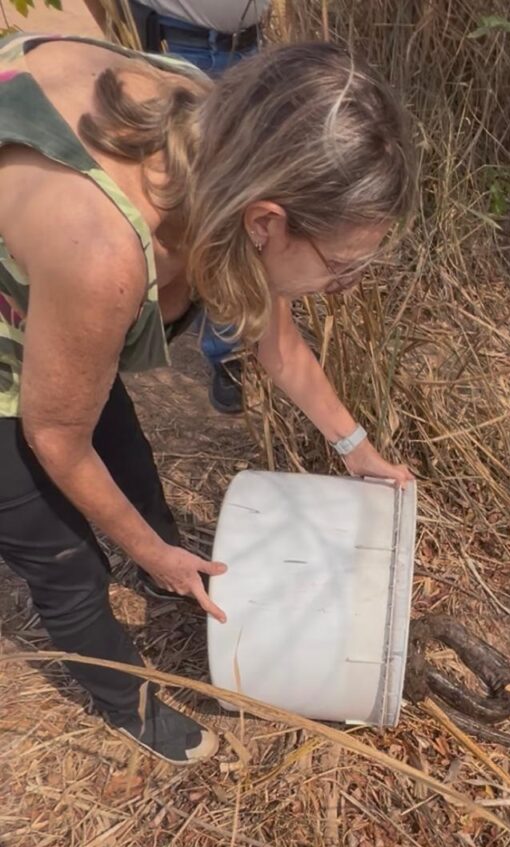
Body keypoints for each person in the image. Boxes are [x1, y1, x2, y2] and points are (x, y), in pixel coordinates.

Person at [0, 32, 416, 765]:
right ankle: (123, 699)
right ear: (268, 222)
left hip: (53, 292)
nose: (344, 289)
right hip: (24, 330)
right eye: (342, 267)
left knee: (119, 443)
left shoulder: (222, 134)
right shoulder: (102, 255)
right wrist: (150, 552)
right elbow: (57, 434)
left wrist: (360, 453)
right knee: (62, 557)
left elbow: (273, 338)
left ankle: (160, 567)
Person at [83, 0, 273, 414]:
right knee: (199, 213)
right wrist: (119, 41)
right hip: (176, 47)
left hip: (251, 50)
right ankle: (225, 351)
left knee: (234, 206)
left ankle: (233, 337)